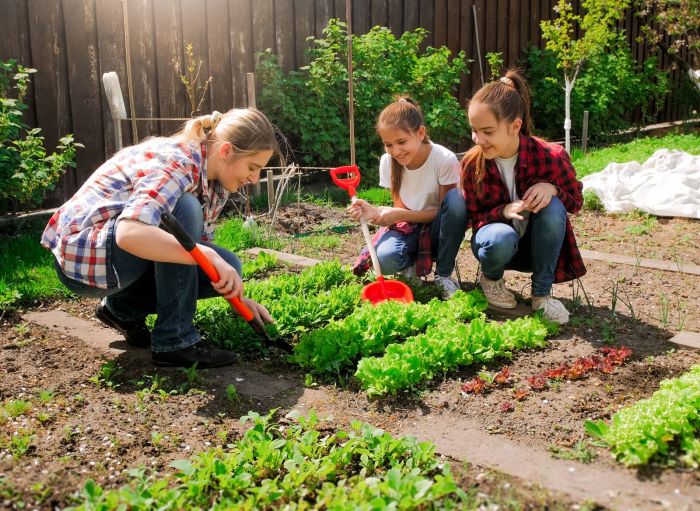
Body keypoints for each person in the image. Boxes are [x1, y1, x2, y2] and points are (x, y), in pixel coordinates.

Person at [41, 109, 280, 368]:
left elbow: (192, 250)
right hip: (86, 257)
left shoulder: (215, 181)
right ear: (225, 152)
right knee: (184, 208)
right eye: (253, 167)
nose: (255, 178)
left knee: (228, 267)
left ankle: (120, 309)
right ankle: (174, 342)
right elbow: (129, 233)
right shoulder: (178, 163)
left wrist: (238, 298)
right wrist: (207, 254)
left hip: (117, 260)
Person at [461, 70, 586, 324]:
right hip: (497, 246)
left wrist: (553, 190)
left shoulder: (550, 156)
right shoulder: (472, 164)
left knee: (553, 208)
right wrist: (503, 211)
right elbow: (474, 218)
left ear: (515, 126)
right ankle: (492, 280)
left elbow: (575, 202)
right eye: (474, 130)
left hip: (536, 248)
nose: (478, 139)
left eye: (487, 131)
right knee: (499, 236)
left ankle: (541, 295)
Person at [348, 97, 468, 298]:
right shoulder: (389, 161)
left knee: (457, 200)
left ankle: (443, 276)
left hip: (441, 230)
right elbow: (401, 213)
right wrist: (375, 212)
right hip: (410, 227)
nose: (396, 151)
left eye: (401, 142)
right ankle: (409, 266)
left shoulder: (443, 159)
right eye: (388, 144)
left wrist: (398, 214)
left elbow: (448, 213)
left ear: (420, 133)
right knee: (384, 258)